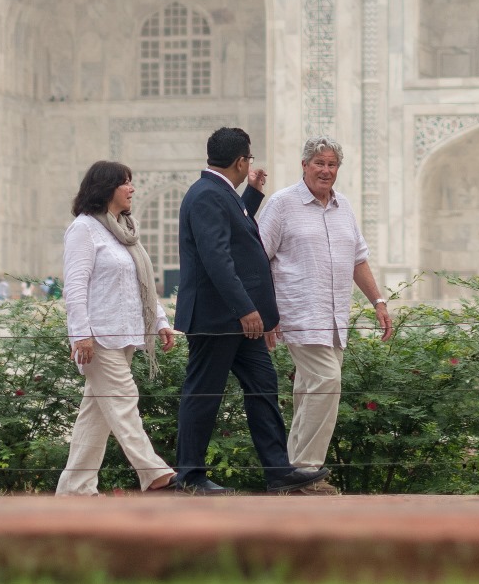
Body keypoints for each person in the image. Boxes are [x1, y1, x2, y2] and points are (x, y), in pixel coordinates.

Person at [172, 125, 327, 495]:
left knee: (263, 386)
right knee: (203, 393)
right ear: (241, 161)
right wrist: (246, 308)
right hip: (219, 317)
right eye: (249, 159)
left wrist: (252, 195)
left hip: (238, 320)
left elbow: (237, 230)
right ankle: (189, 476)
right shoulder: (207, 195)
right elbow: (217, 258)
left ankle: (278, 472)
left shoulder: (219, 193)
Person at [255, 136, 393, 481]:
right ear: (304, 165)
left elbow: (358, 259)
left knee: (309, 392)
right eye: (319, 163)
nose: (326, 171)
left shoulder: (342, 206)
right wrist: (265, 312)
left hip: (334, 318)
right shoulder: (282, 204)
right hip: (298, 312)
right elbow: (258, 259)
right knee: (328, 381)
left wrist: (378, 301)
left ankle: (289, 474)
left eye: (332, 165)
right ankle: (308, 469)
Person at [56, 160, 180, 495]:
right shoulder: (84, 229)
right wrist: (80, 334)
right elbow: (76, 286)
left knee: (94, 417)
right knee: (125, 399)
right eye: (125, 182)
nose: (132, 189)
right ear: (106, 188)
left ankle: (75, 490)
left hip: (125, 334)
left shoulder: (124, 228)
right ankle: (154, 473)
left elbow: (139, 284)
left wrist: (160, 322)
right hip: (99, 337)